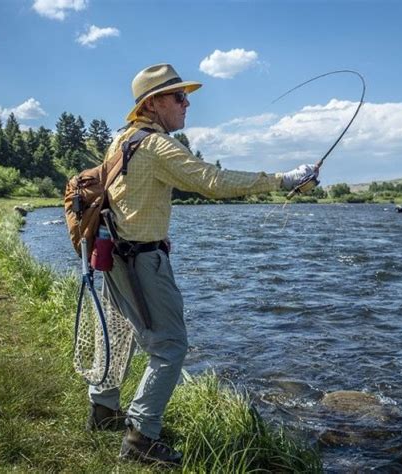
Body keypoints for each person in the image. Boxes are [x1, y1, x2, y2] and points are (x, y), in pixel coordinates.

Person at [86, 63, 319, 465]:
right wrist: (284, 179)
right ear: (154, 103)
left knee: (121, 331)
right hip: (142, 263)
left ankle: (104, 409)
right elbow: (213, 182)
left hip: (113, 257)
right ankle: (141, 438)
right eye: (178, 96)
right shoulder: (158, 146)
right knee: (170, 347)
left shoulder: (122, 140)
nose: (187, 102)